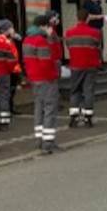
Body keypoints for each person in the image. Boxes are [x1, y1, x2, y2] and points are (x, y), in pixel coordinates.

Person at [23, 15, 62, 153]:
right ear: (43, 26)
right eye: (48, 26)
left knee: (39, 108)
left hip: (34, 79)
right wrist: (54, 76)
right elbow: (47, 62)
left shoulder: (27, 40)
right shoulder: (41, 41)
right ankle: (48, 142)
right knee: (50, 108)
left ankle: (39, 139)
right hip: (46, 79)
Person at [64, 8, 103, 127]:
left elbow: (69, 46)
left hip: (75, 65)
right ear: (87, 18)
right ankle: (88, 118)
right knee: (88, 91)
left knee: (75, 90)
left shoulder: (69, 33)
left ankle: (73, 117)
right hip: (91, 65)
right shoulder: (95, 32)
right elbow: (98, 47)